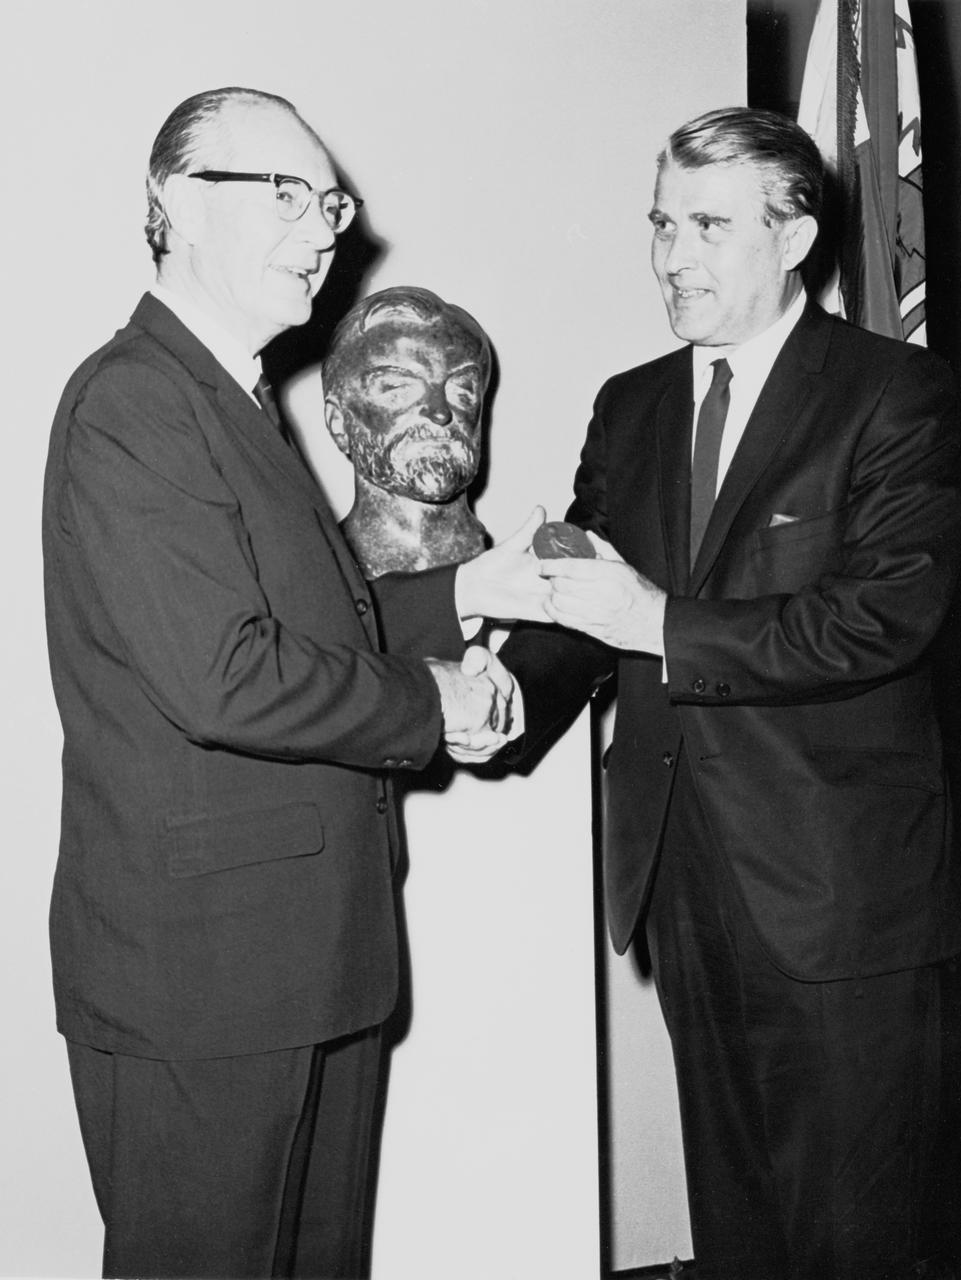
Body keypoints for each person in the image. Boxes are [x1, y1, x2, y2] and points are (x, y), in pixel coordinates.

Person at [42, 86, 523, 1279]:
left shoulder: (235, 400)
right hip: (204, 981)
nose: (323, 231)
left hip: (304, 959)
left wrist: (469, 595)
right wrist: (432, 703)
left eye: (333, 203)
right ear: (172, 202)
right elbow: (223, 672)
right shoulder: (136, 400)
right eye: (287, 195)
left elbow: (315, 624)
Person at [493, 107, 961, 1280]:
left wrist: (657, 620)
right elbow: (588, 608)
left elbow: (878, 617)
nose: (672, 256)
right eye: (662, 223)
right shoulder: (633, 402)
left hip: (837, 894)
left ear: (794, 236)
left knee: (850, 1240)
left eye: (708, 226)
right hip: (681, 875)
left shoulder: (893, 394)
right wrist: (488, 696)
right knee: (735, 1225)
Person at [323, 285, 492, 578]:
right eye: (398, 388)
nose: (440, 412)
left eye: (461, 389)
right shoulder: (318, 578)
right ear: (339, 422)